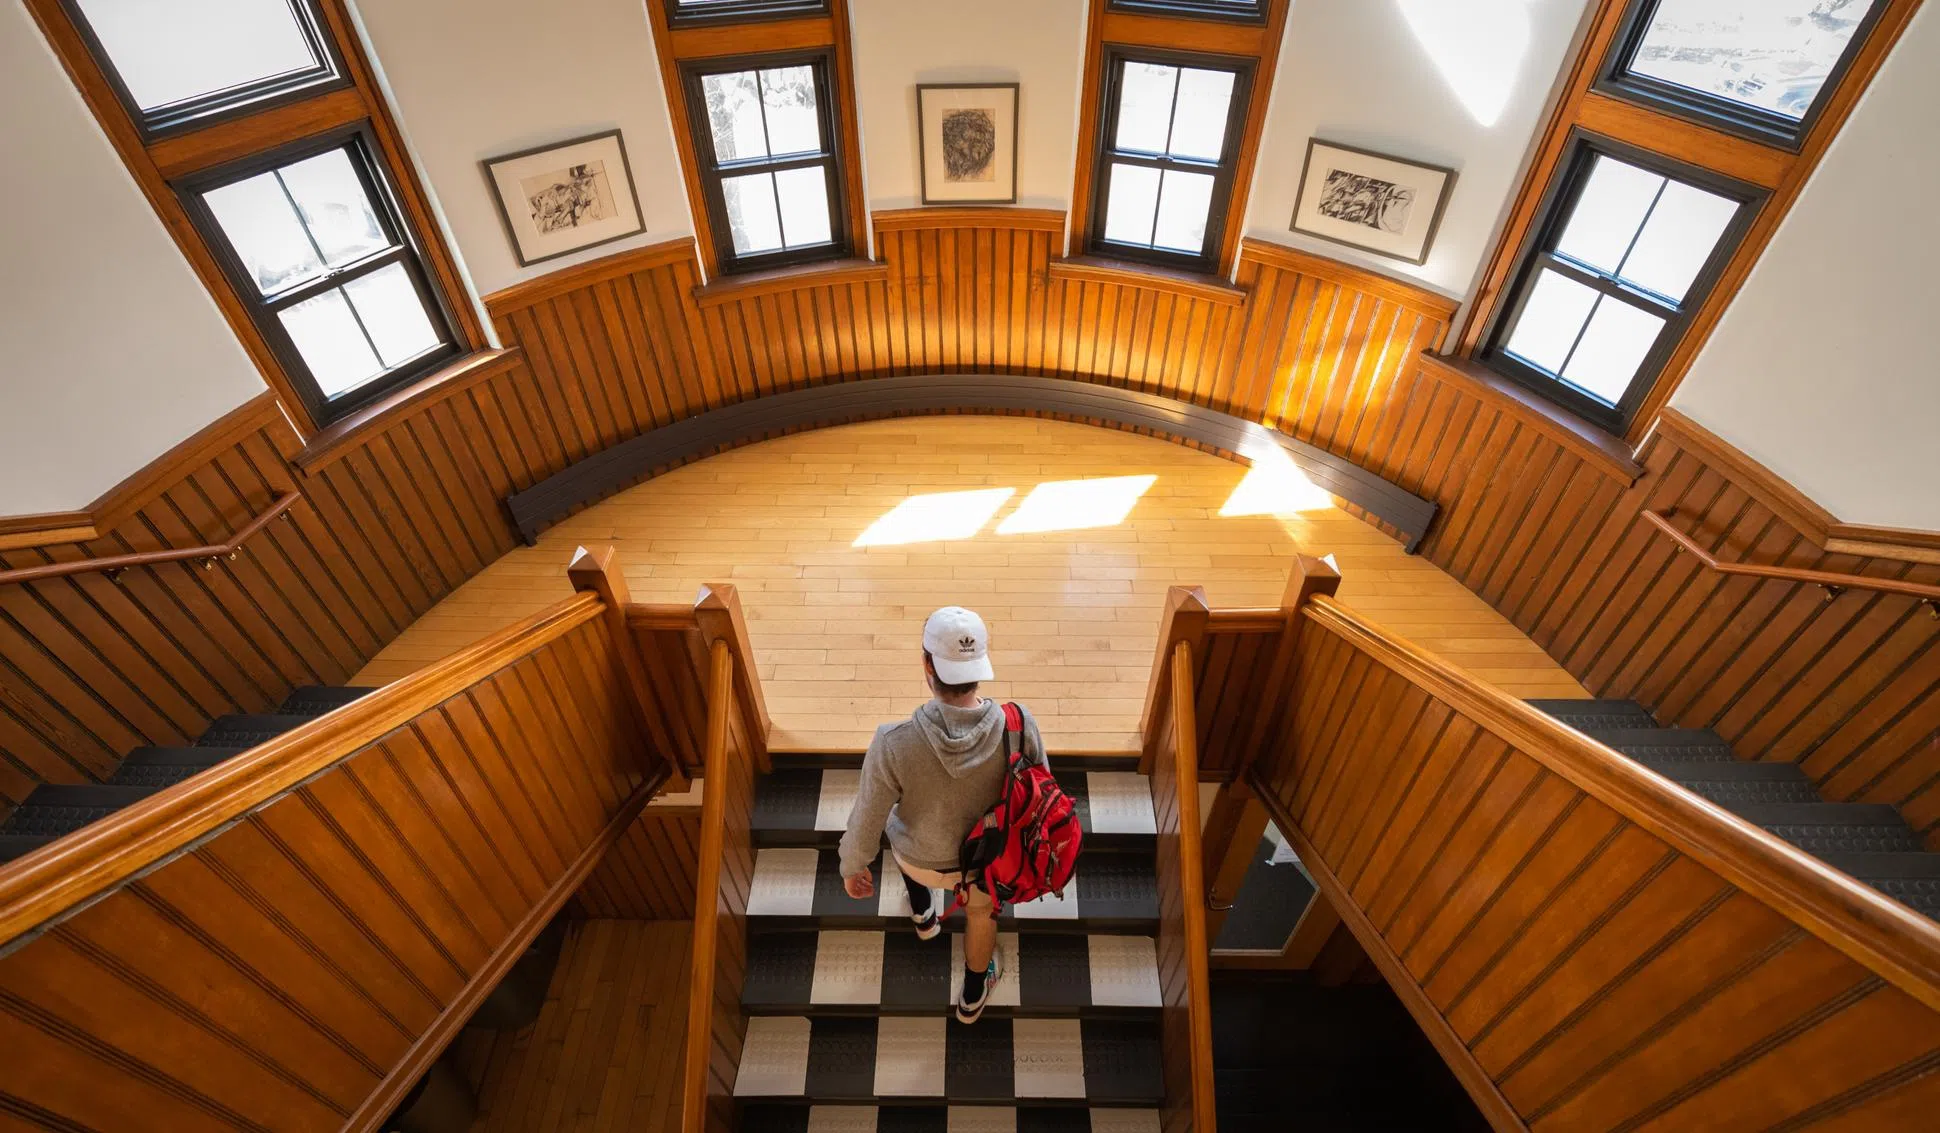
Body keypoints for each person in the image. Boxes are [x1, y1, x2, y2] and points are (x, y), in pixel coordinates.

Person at [838, 606, 1046, 1024]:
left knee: (903, 838)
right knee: (981, 915)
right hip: (983, 868)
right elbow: (1040, 793)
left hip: (920, 860)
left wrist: (852, 865)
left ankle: (925, 918)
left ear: (926, 666)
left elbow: (868, 818)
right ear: (980, 668)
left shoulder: (892, 742)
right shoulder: (1018, 725)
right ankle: (972, 997)